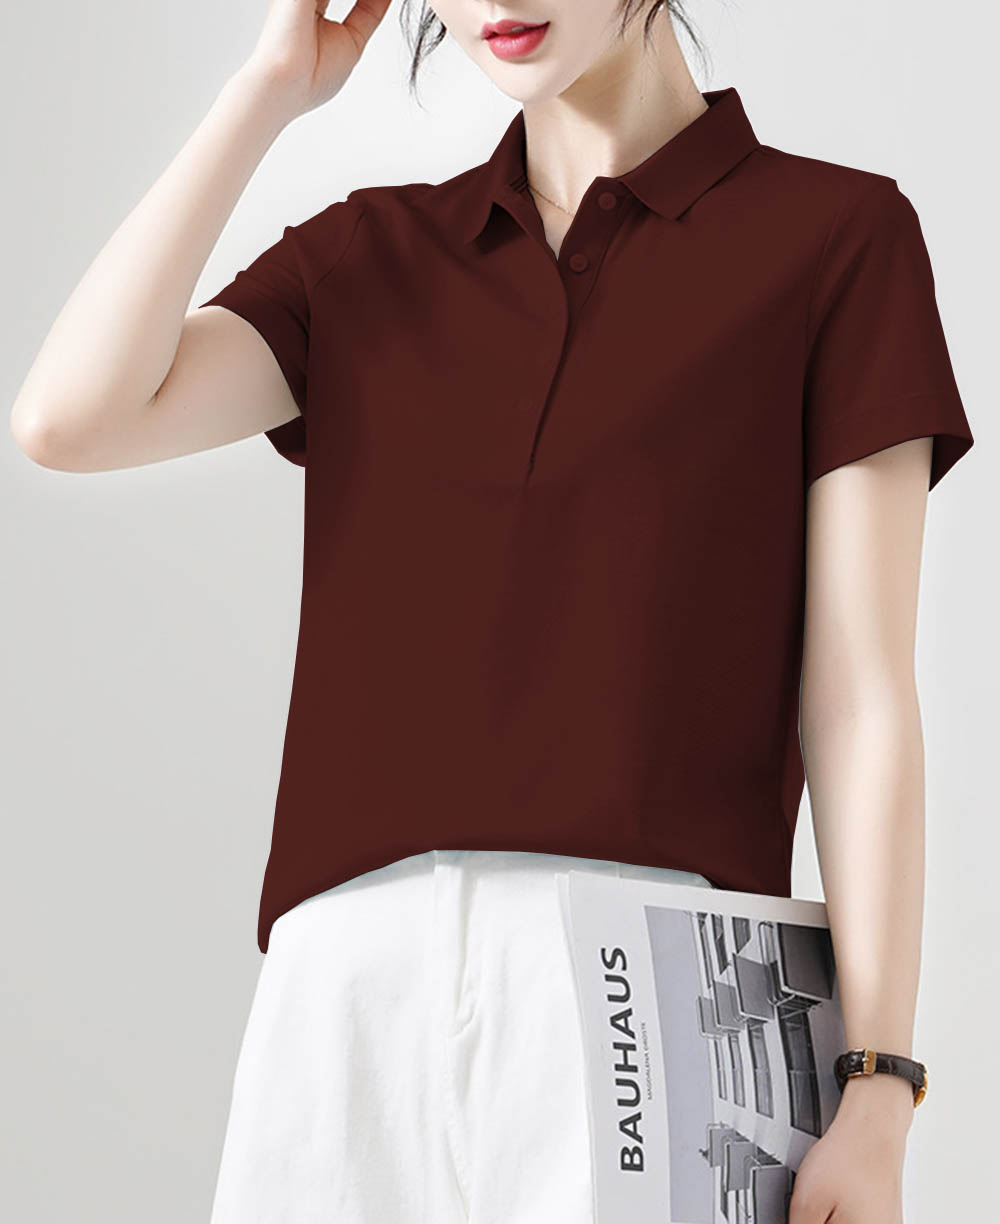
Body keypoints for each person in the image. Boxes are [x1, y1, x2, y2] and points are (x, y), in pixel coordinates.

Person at [10, 2, 975, 1222]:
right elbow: (70, 419)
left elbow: (859, 699)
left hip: (649, 983)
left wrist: (877, 1085)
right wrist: (266, 90)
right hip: (344, 990)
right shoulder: (371, 257)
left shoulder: (834, 239)